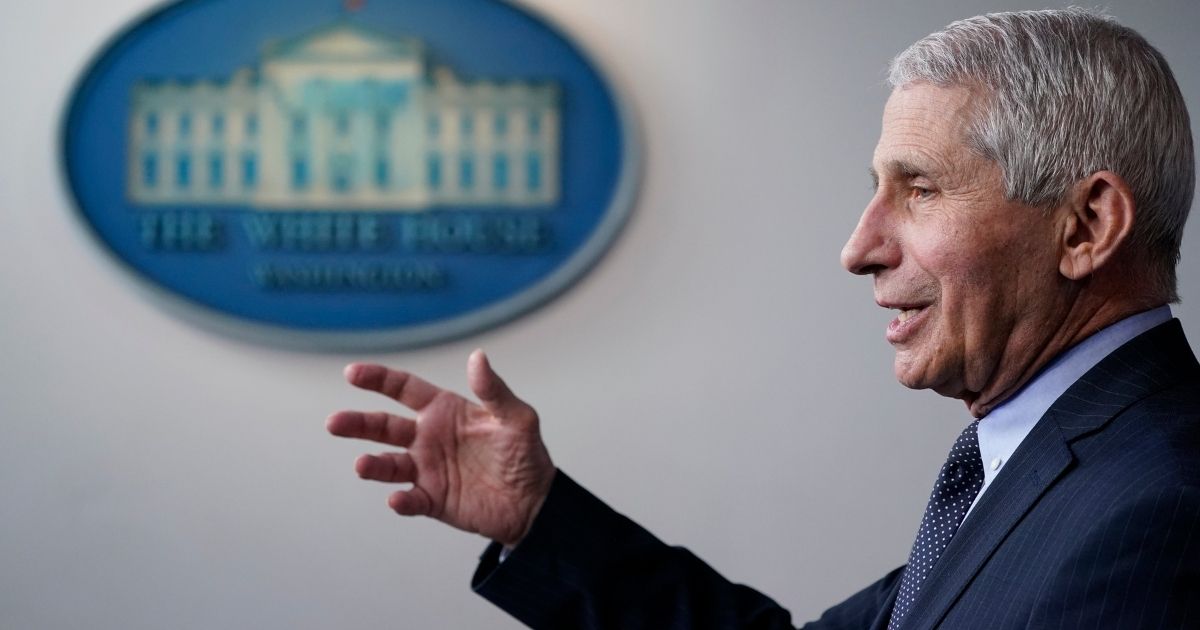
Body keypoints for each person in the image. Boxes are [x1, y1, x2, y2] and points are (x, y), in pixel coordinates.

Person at [327, 8, 1200, 629]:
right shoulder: (1039, 467)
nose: (858, 248)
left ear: (1085, 226)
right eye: (875, 193)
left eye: (920, 189)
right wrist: (537, 516)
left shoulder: (1162, 508)